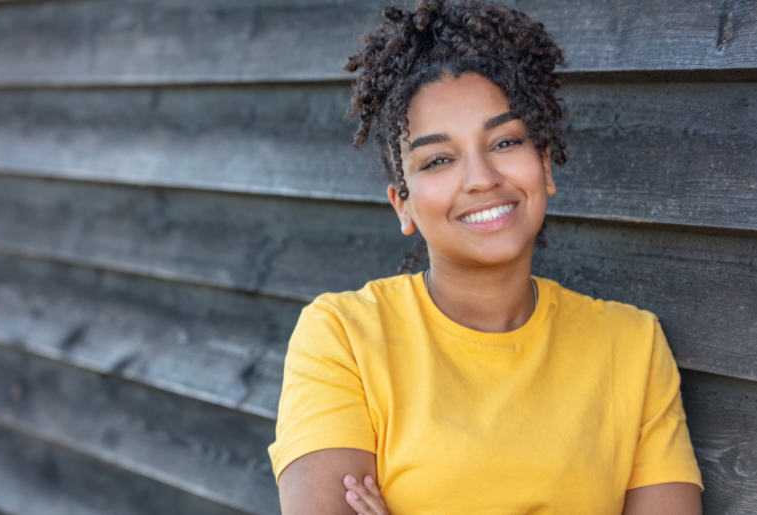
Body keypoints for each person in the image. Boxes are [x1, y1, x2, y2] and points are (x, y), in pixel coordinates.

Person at [268, 1, 704, 513]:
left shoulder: (633, 347)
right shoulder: (342, 339)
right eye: (439, 159)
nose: (481, 177)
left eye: (505, 141)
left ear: (543, 165)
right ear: (402, 204)